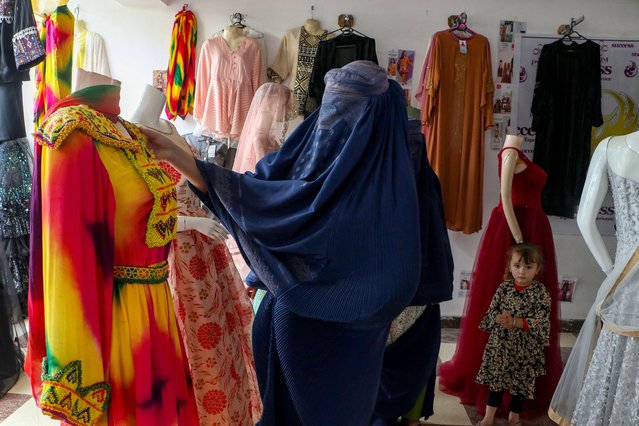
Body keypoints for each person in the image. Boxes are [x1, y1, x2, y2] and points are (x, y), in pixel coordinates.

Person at [143, 60, 446, 425]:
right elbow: (253, 196)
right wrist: (179, 156)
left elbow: (395, 281)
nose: (335, 118)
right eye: (332, 104)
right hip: (290, 327)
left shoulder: (393, 190)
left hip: (340, 346)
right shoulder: (311, 161)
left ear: (373, 121)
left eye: (347, 108)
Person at [26, 69, 198, 425]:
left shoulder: (129, 132)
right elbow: (65, 262)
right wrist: (79, 365)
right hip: (116, 319)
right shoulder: (69, 133)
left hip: (156, 310)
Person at [131, 84, 262, 425]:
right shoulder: (134, 134)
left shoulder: (169, 127)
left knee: (225, 337)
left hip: (208, 254)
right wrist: (193, 224)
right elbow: (138, 218)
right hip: (180, 258)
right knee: (197, 342)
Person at [438, 135, 562, 420]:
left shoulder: (517, 152)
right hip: (517, 227)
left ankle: (524, 376)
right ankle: (496, 384)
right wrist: (519, 238)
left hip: (529, 223)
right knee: (505, 291)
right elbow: (505, 197)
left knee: (532, 297)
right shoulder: (510, 153)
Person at [549, 131, 639, 425]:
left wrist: (610, 270)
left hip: (622, 281)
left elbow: (585, 219)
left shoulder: (610, 148)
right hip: (624, 280)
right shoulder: (610, 147)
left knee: (612, 364)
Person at [475, 243, 551, 426]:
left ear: (538, 269)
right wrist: (499, 318)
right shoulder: (504, 288)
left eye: (528, 266)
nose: (522, 272)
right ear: (510, 266)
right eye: (517, 266)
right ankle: (488, 417)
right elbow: (491, 312)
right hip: (501, 345)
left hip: (526, 348)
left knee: (521, 386)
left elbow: (542, 321)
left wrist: (516, 322)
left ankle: (514, 418)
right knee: (496, 382)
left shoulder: (541, 292)